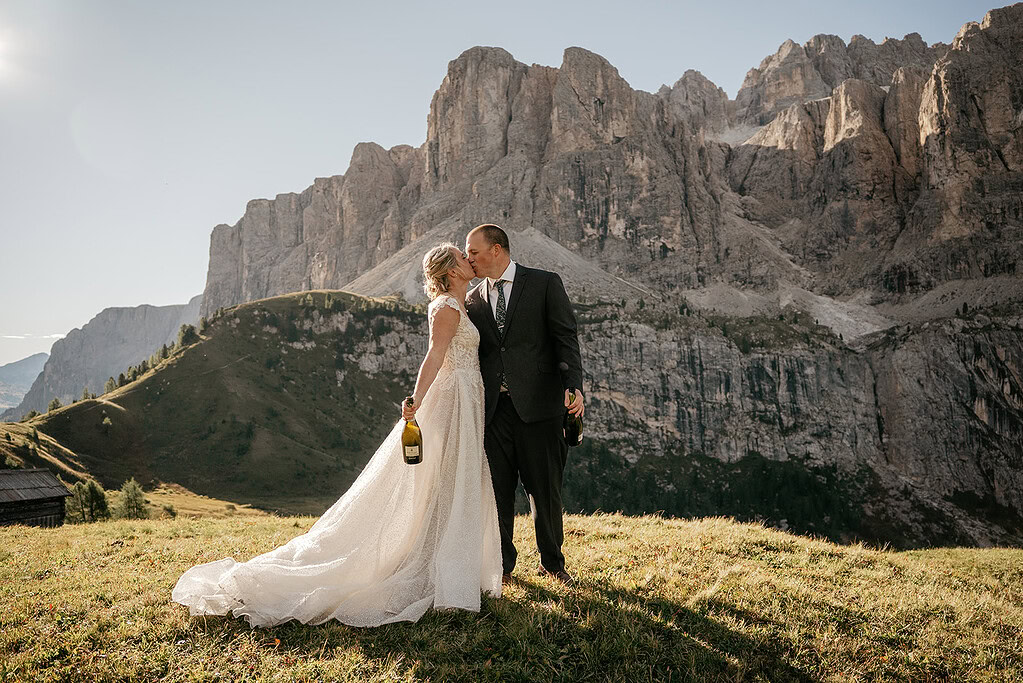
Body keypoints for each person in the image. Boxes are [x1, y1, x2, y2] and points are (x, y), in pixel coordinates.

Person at [172, 244, 502, 628]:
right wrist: (417, 399)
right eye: (462, 257)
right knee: (445, 480)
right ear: (450, 270)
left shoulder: (463, 304)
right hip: (450, 399)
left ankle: (449, 566)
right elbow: (435, 354)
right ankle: (433, 570)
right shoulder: (446, 307)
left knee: (453, 480)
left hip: (466, 397)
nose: (469, 258)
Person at [462, 224, 585, 586]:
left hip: (540, 408)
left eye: (473, 251)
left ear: (496, 249)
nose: (468, 257)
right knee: (497, 491)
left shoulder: (545, 282)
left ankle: (553, 562)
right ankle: (502, 566)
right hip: (494, 412)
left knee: (545, 490)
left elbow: (566, 337)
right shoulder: (472, 299)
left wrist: (573, 386)